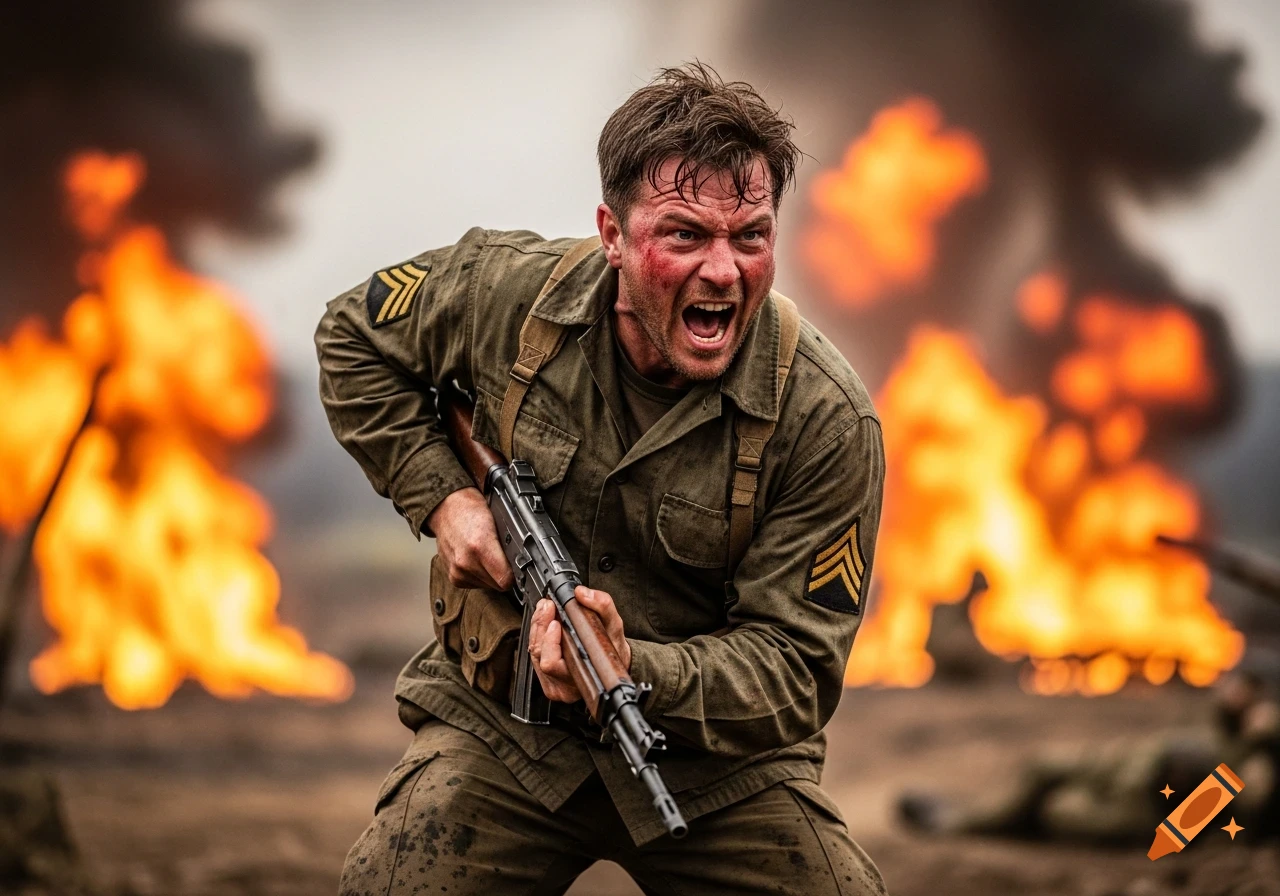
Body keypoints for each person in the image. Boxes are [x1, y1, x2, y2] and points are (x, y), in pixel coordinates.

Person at [316, 62, 887, 895]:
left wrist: (634, 672)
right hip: (504, 732)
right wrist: (444, 497)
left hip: (714, 772)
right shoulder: (501, 294)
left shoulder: (826, 419)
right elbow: (351, 336)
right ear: (612, 234)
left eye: (751, 236)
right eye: (685, 234)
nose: (724, 271)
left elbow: (794, 669)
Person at [897, 671, 1280, 845]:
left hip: (1136, 806)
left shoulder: (1252, 766)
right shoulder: (1225, 737)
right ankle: (960, 821)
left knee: (1057, 809)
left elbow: (1201, 820)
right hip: (1124, 770)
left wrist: (1260, 738)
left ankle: (971, 821)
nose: (1234, 695)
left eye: (1249, 694)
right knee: (1043, 768)